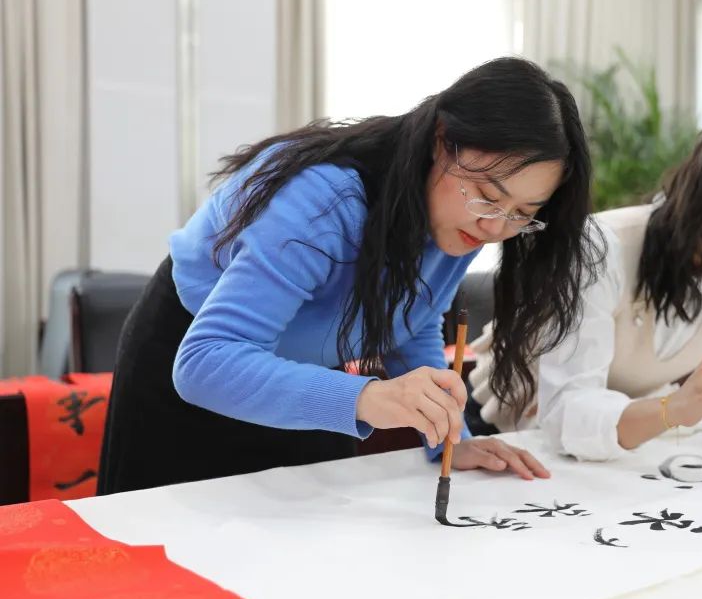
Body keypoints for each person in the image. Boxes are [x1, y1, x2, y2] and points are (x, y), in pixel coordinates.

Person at [97, 57, 603, 494]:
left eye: (522, 214)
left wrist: (450, 439)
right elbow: (205, 364)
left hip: (308, 381)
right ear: (442, 140)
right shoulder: (326, 200)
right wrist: (369, 398)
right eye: (489, 196)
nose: (496, 227)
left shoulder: (465, 218)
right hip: (198, 369)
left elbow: (413, 317)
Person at [468, 111, 702, 460]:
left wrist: (679, 409)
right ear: (701, 189)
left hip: (624, 450)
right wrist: (672, 408)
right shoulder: (600, 247)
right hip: (501, 435)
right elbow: (566, 411)